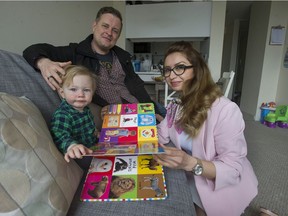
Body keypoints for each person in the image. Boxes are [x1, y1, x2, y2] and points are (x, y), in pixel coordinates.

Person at [153, 41, 258, 216]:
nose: (171, 75)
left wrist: (189, 163)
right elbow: (161, 135)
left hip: (218, 182)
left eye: (180, 67)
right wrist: (137, 126)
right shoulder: (176, 105)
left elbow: (232, 170)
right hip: (189, 175)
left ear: (197, 70)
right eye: (167, 70)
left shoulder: (226, 110)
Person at [22, 6, 164, 121]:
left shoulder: (123, 57)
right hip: (119, 120)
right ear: (94, 26)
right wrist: (43, 62)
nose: (109, 32)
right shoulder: (76, 52)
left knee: (172, 120)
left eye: (115, 30)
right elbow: (32, 50)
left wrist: (155, 112)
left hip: (142, 113)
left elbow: (138, 89)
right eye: (105, 26)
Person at [50, 65, 97, 168]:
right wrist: (72, 146)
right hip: (78, 155)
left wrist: (96, 133)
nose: (80, 94)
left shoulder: (85, 109)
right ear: (62, 93)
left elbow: (89, 127)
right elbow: (59, 134)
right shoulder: (63, 114)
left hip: (93, 146)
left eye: (86, 90)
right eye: (73, 89)